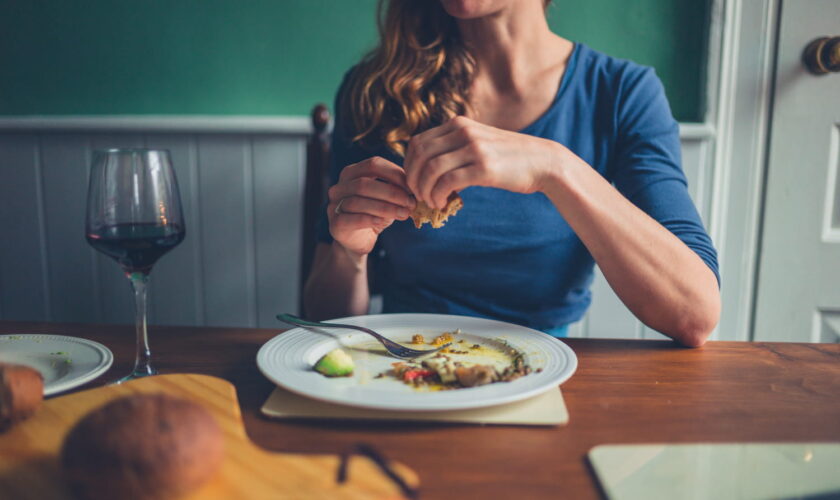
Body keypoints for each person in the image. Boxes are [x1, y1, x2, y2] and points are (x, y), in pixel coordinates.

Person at [304, 0, 720, 347]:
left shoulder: (622, 94)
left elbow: (694, 314)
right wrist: (348, 253)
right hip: (397, 368)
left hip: (544, 378)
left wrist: (555, 167)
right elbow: (323, 319)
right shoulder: (376, 92)